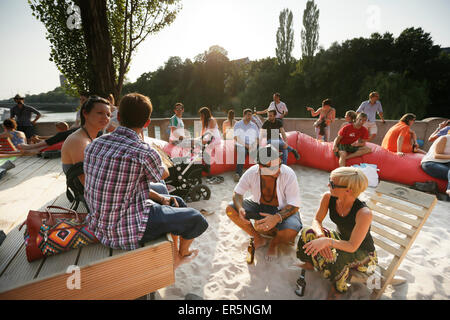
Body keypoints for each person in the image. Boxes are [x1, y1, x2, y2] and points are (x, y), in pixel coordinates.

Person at [83, 93, 208, 269]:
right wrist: (158, 160)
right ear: (147, 122)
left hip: (100, 221)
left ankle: (172, 251)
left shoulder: (95, 144)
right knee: (196, 219)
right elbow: (162, 175)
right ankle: (181, 254)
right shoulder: (143, 152)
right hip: (123, 230)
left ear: (118, 117)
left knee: (176, 200)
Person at [296, 166, 377, 299]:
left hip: (364, 256)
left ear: (348, 190)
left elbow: (352, 246)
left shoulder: (364, 213)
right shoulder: (329, 197)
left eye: (332, 184)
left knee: (336, 255)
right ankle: (309, 264)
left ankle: (337, 290)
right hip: (341, 240)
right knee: (308, 232)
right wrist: (321, 237)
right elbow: (317, 220)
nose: (328, 184)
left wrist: (327, 242)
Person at [225, 144, 302, 261]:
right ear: (260, 166)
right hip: (259, 206)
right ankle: (258, 238)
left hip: (282, 210)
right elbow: (237, 193)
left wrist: (276, 218)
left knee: (292, 231)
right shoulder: (252, 172)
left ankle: (274, 243)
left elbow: (295, 206)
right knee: (230, 210)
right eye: (272, 168)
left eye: (279, 164)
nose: (278, 169)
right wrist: (240, 208)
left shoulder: (288, 173)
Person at [61, 96, 112, 184]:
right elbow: (85, 180)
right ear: (85, 113)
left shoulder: (90, 136)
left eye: (108, 114)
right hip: (86, 194)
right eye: (100, 113)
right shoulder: (79, 141)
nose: (106, 117)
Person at [233, 109, 259, 182]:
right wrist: (246, 145)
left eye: (250, 115)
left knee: (259, 153)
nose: (250, 116)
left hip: (252, 144)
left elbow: (257, 138)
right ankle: (238, 174)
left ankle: (259, 173)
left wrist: (254, 145)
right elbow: (236, 137)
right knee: (242, 152)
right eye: (248, 115)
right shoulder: (238, 124)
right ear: (244, 115)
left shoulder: (254, 125)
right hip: (240, 144)